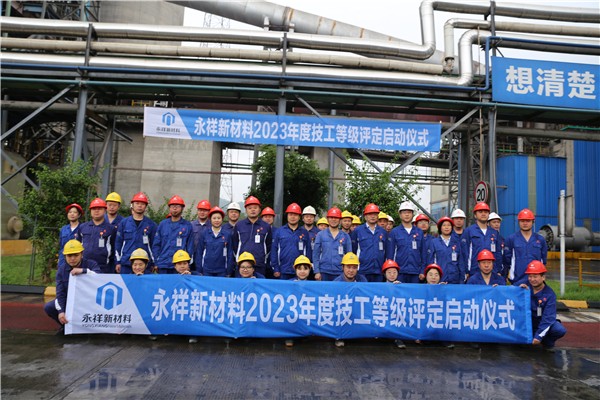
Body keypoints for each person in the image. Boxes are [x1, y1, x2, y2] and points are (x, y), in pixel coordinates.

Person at [44, 240, 101, 333]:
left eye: (76, 255)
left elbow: (99, 277)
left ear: (82, 254)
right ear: (65, 256)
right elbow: (60, 294)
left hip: (90, 302)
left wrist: (83, 271)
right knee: (49, 307)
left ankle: (93, 329)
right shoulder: (61, 270)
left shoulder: (91, 264)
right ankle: (66, 327)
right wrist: (61, 311)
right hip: (70, 301)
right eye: (69, 256)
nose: (72, 258)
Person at [519, 261, 567, 351]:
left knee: (559, 330)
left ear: (543, 277)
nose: (532, 279)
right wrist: (517, 290)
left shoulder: (549, 295)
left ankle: (546, 342)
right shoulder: (524, 286)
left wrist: (539, 336)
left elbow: (548, 318)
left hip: (541, 323)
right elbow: (508, 294)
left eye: (535, 276)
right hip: (526, 323)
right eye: (530, 276)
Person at [115, 192, 157, 274]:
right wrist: (118, 262)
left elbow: (154, 246)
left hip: (145, 264)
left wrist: (154, 263)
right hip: (126, 263)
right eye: (137, 203)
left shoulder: (151, 225)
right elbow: (118, 243)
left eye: (142, 204)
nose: (140, 206)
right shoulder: (124, 223)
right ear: (132, 205)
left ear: (145, 207)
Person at [504, 208, 548, 286]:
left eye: (528, 221)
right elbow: (506, 261)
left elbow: (543, 261)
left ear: (533, 222)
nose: (525, 223)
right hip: (517, 280)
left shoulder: (540, 239)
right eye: (522, 221)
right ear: (518, 222)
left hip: (535, 281)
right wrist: (504, 276)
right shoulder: (511, 239)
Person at [151, 195, 194, 274]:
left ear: (182, 208)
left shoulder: (187, 226)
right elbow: (156, 245)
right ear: (169, 208)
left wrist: (187, 265)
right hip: (163, 264)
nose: (175, 208)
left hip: (179, 265)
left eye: (177, 206)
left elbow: (190, 247)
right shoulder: (162, 224)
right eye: (172, 206)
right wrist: (156, 262)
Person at [460, 202, 503, 279]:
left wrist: (498, 270)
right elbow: (464, 253)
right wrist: (466, 271)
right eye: (480, 212)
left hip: (492, 272)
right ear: (475, 215)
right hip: (474, 272)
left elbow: (498, 253)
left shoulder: (494, 233)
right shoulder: (468, 231)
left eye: (486, 212)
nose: (483, 214)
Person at [232, 196, 272, 277]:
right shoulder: (239, 225)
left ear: (259, 210)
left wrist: (262, 256)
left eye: (255, 208)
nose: (253, 210)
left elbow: (268, 245)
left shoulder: (266, 226)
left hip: (259, 263)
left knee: (259, 284)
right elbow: (234, 244)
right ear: (246, 210)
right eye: (250, 208)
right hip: (242, 264)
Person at [387, 201, 426, 284]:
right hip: (399, 272)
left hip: (416, 272)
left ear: (412, 214)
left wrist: (422, 270)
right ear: (400, 215)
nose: (407, 214)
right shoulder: (394, 232)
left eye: (409, 212)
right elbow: (390, 254)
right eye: (404, 212)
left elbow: (423, 253)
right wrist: (391, 272)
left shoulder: (419, 232)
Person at [333, 252, 366, 348]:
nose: (351, 270)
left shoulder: (362, 280)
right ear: (343, 267)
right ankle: (339, 336)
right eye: (348, 267)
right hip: (343, 311)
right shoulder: (336, 282)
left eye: (354, 267)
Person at [271, 203, 312, 280]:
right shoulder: (279, 231)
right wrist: (275, 268)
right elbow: (274, 251)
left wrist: (306, 269)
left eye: (295, 215)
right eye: (290, 214)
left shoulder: (304, 232)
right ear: (287, 216)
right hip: (282, 270)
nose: (293, 217)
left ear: (299, 217)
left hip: (300, 271)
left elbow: (308, 252)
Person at [313, 207, 352, 281]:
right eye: (331, 217)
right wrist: (317, 271)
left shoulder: (346, 236)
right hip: (324, 271)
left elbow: (349, 255)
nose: (333, 220)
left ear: (340, 220)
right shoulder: (320, 235)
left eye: (336, 218)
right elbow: (316, 254)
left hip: (341, 272)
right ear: (327, 219)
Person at [79, 198, 117, 273]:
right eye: (94, 209)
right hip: (84, 265)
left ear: (105, 210)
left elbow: (114, 249)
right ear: (90, 211)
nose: (96, 211)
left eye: (99, 209)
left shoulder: (111, 229)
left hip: (103, 267)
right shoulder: (82, 227)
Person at [351, 203, 387, 282]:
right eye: (370, 214)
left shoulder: (383, 232)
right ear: (365, 216)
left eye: (375, 214)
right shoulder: (358, 231)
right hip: (363, 270)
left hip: (379, 270)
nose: (372, 216)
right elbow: (353, 250)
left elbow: (386, 252)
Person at [195, 206, 235, 277]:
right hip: (206, 270)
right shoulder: (204, 233)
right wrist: (199, 270)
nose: (216, 220)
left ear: (222, 219)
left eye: (219, 218)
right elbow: (199, 252)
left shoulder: (227, 234)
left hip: (222, 271)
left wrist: (229, 271)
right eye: (214, 218)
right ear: (210, 219)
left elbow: (230, 254)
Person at [284, 255, 313, 348]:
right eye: (299, 269)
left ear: (310, 269)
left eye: (305, 268)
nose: (302, 271)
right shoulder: (288, 283)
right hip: (292, 312)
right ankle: (289, 337)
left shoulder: (314, 285)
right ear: (295, 269)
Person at [426, 216, 465, 284]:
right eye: (444, 225)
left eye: (449, 225)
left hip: (454, 279)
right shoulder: (434, 242)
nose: (446, 227)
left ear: (452, 227)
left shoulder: (456, 242)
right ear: (440, 228)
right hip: (440, 278)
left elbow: (460, 261)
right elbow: (430, 261)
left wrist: (462, 278)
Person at [58, 203, 83, 270]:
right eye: (70, 212)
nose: (72, 214)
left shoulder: (83, 228)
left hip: (77, 261)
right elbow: (61, 246)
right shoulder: (63, 229)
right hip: (63, 260)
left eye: (75, 212)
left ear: (79, 215)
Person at [488, 212, 506, 276]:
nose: (496, 224)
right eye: (494, 222)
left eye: (498, 222)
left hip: (500, 270)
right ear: (488, 223)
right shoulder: (486, 238)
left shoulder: (502, 239)